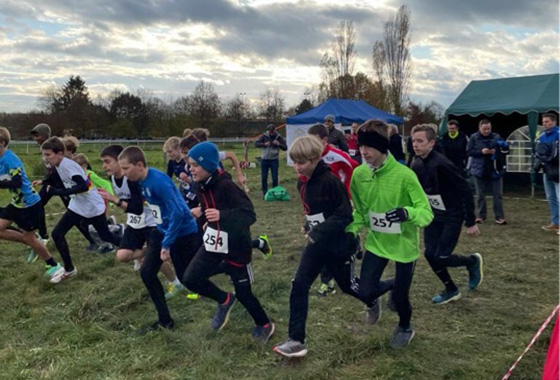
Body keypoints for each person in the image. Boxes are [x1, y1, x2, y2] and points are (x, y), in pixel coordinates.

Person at [273, 136, 364, 358]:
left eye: (301, 163)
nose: (296, 167)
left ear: (315, 159)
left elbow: (344, 215)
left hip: (338, 245)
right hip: (317, 245)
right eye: (294, 162)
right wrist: (308, 225)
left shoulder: (331, 182)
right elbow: (314, 211)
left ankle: (379, 293)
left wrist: (318, 230)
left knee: (351, 287)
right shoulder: (301, 181)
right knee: (299, 284)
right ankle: (297, 340)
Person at [346, 119, 433, 349]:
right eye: (361, 146)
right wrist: (351, 231)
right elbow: (361, 212)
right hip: (377, 243)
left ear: (383, 147)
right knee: (364, 291)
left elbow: (426, 212)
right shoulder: (359, 175)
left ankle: (405, 326)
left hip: (404, 246)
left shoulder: (405, 175)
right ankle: (391, 288)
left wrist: (407, 212)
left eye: (369, 147)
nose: (363, 152)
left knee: (401, 298)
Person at [182, 142, 274, 342]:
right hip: (215, 243)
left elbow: (249, 214)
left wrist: (222, 216)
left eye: (195, 165)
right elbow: (208, 209)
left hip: (237, 247)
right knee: (190, 278)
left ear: (207, 165)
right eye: (189, 165)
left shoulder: (226, 185)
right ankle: (224, 299)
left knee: (244, 293)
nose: (190, 169)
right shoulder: (200, 185)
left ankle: (265, 324)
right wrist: (203, 216)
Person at [118, 146, 201, 332]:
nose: (123, 173)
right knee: (147, 273)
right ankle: (165, 321)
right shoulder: (140, 180)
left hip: (182, 232)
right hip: (161, 230)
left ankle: (228, 278)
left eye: (125, 169)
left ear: (139, 165)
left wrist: (167, 243)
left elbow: (178, 214)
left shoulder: (158, 182)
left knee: (189, 278)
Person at [98, 145, 192, 300]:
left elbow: (137, 208)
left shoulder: (134, 179)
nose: (104, 166)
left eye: (107, 162)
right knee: (122, 256)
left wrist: (115, 200)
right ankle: (150, 251)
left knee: (154, 260)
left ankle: (175, 282)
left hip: (151, 221)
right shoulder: (113, 178)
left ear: (118, 161)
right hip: (135, 222)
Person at [410, 124, 484, 304]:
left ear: (432, 143)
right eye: (413, 141)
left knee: (442, 256)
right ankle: (451, 289)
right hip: (434, 214)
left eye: (420, 141)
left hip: (453, 214)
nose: (416, 145)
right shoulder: (416, 162)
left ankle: (471, 262)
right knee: (429, 254)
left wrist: (470, 221)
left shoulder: (442, 163)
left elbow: (465, 189)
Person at [40, 137, 122, 284]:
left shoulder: (67, 166)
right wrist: (45, 183)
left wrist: (57, 192)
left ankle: (137, 247)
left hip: (91, 205)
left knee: (106, 236)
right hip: (78, 204)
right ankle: (69, 269)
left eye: (48, 154)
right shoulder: (59, 165)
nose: (44, 158)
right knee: (57, 234)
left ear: (59, 154)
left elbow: (83, 186)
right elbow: (59, 180)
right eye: (43, 154)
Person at [0, 127, 62, 278]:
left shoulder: (10, 159)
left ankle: (54, 266)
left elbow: (17, 182)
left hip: (29, 204)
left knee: (30, 238)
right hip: (17, 203)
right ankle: (33, 241)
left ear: (1, 142)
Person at [308, 123, 359, 296]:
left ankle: (328, 280)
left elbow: (355, 169)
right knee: (323, 240)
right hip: (320, 206)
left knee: (329, 240)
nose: (311, 145)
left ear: (324, 140)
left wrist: (349, 193)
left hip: (339, 205)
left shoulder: (336, 155)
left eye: (314, 141)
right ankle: (327, 281)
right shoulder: (310, 157)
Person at [31, 124, 98, 252]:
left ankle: (96, 236)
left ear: (45, 135)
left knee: (75, 215)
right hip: (54, 184)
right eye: (34, 135)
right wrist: (44, 181)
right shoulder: (46, 149)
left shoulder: (55, 148)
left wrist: (61, 189)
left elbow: (71, 171)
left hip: (64, 187)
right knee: (38, 204)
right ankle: (43, 234)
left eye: (37, 135)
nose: (35, 138)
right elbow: (53, 173)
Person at [467, 119, 509, 225]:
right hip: (479, 170)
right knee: (480, 195)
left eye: (488, 129)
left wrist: (499, 149)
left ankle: (499, 216)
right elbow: (468, 152)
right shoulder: (474, 138)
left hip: (495, 169)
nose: (486, 131)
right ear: (479, 128)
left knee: (498, 195)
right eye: (484, 129)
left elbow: (506, 150)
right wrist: (481, 152)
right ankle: (481, 216)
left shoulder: (496, 137)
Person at [534, 113, 559, 232]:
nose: (544, 124)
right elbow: (537, 152)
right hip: (546, 170)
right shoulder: (542, 136)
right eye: (543, 122)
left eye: (547, 122)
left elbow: (556, 154)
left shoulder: (558, 134)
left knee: (559, 197)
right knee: (551, 197)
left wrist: (546, 157)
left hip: (557, 170)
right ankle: (555, 222)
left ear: (554, 122)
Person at [254, 124, 287, 196]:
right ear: (267, 131)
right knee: (264, 177)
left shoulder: (279, 137)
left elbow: (285, 147)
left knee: (275, 177)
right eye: (270, 131)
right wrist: (264, 144)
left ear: (275, 130)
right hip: (264, 160)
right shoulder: (264, 136)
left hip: (274, 160)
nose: (271, 133)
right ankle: (265, 193)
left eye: (272, 131)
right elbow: (256, 144)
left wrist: (279, 144)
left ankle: (275, 193)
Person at [164, 137, 197, 208]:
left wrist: (188, 178)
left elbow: (194, 178)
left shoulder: (186, 162)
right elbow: (168, 177)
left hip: (192, 186)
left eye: (170, 151)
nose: (168, 154)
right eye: (167, 152)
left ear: (178, 150)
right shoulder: (171, 162)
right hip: (183, 187)